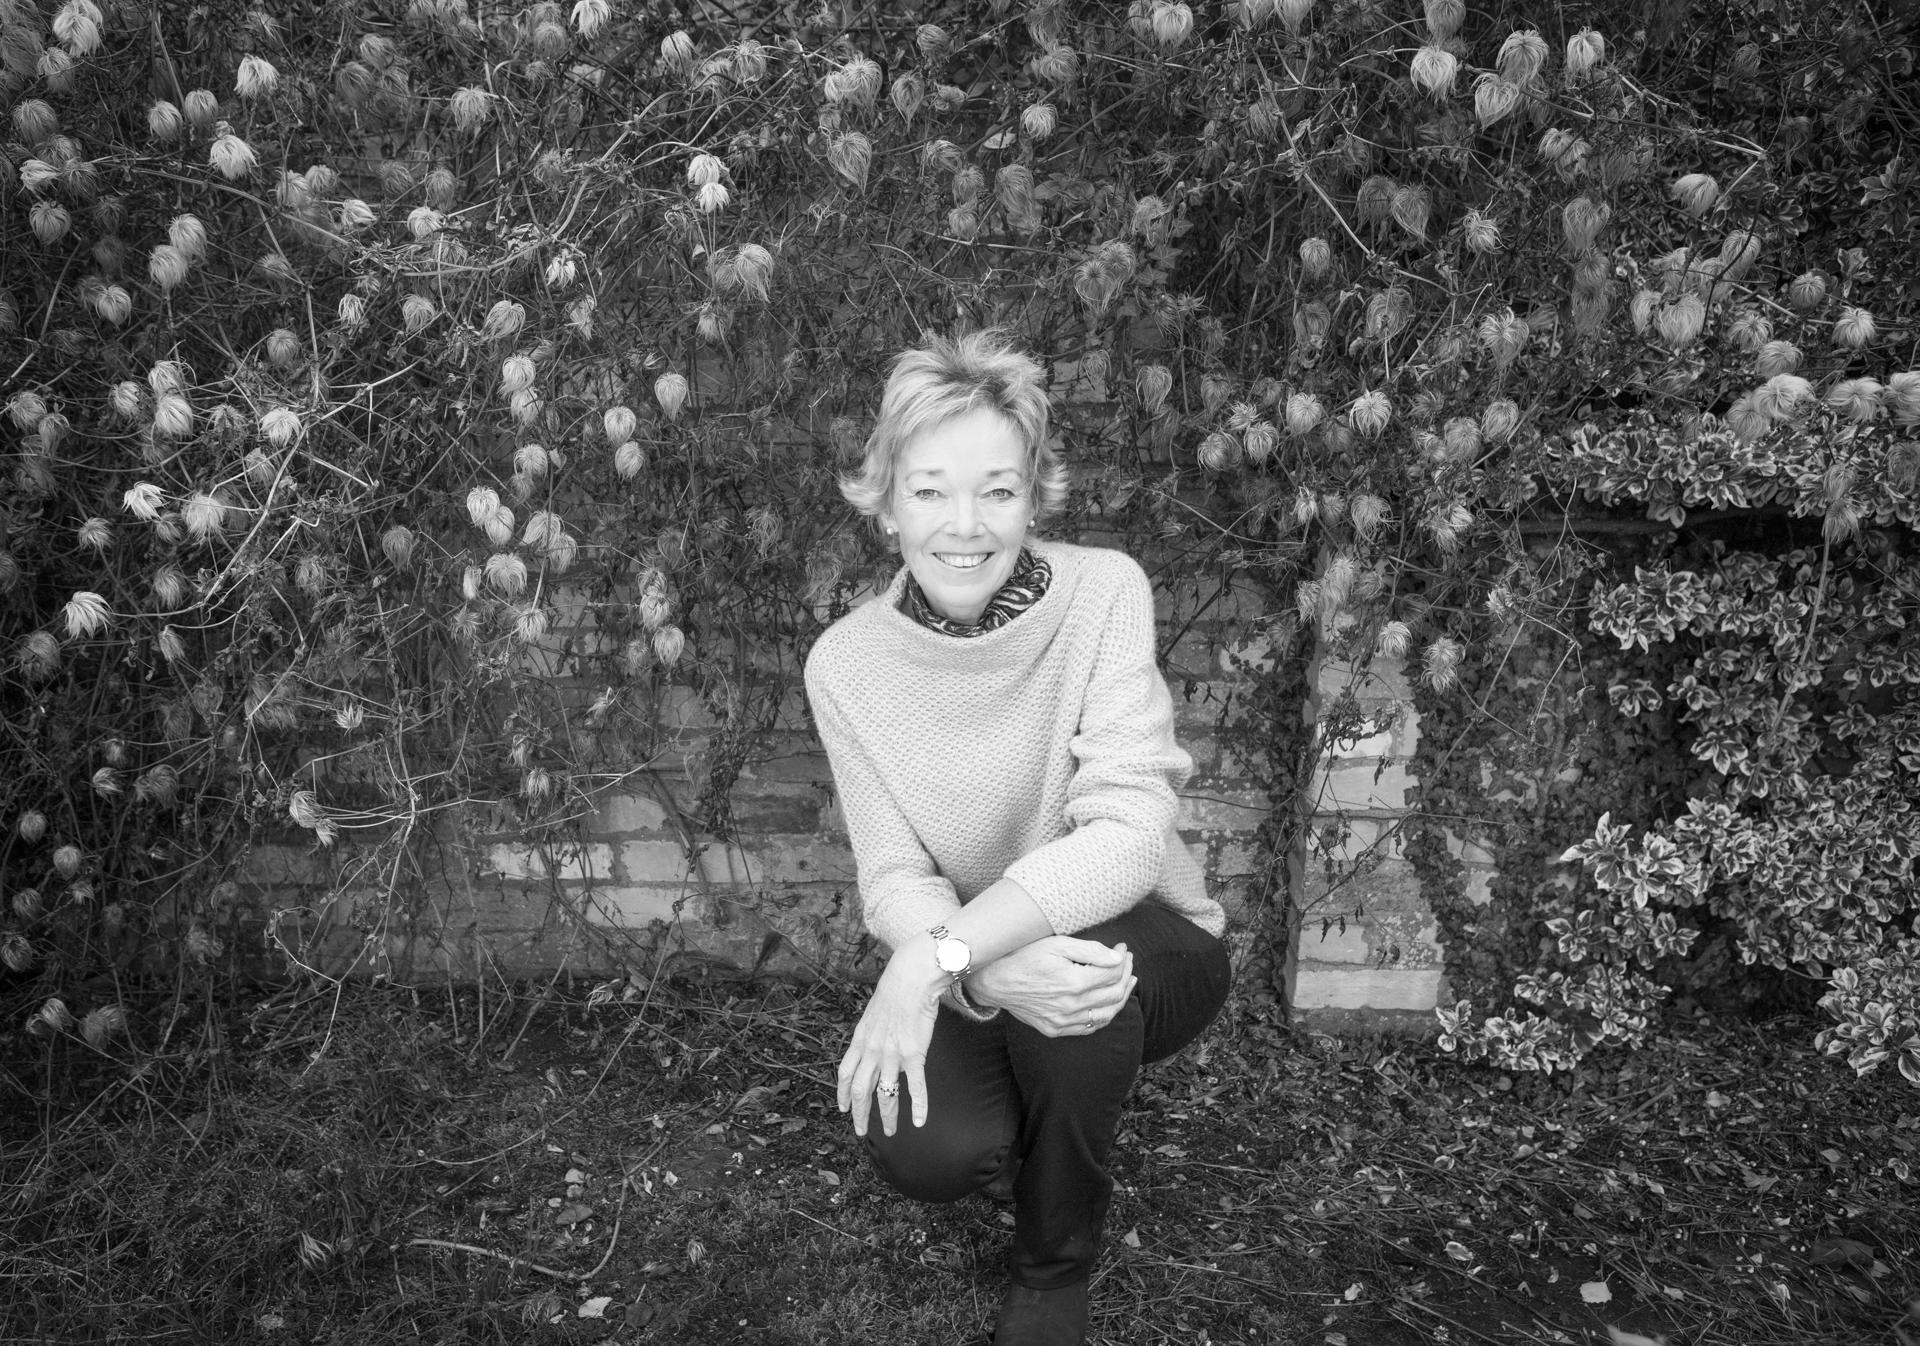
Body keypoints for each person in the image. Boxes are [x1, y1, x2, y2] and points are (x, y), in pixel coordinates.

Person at [803, 330, 1232, 1345]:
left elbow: (1128, 836)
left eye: (997, 490)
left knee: (1082, 980)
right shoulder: (846, 665)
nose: (964, 524)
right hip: (992, 957)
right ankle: (1037, 1113)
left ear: (1035, 496)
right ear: (884, 497)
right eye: (930, 489)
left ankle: (1053, 1273)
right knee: (919, 1142)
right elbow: (897, 872)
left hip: (1149, 936)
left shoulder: (1103, 593)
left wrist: (942, 960)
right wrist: (986, 973)